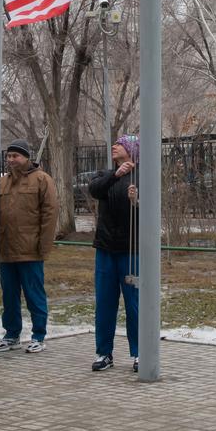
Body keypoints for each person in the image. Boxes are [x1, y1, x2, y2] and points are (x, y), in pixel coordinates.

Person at [0, 140, 58, 354]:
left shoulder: (42, 179)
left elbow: (50, 214)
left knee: (34, 295)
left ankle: (38, 335)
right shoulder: (2, 182)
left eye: (16, 156)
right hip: (6, 249)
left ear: (26, 157)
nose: (11, 160)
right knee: (9, 296)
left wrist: (43, 246)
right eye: (9, 156)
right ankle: (12, 334)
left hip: (30, 250)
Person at [88, 134, 140, 372]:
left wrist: (136, 201)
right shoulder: (106, 175)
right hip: (106, 249)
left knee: (135, 304)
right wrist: (115, 175)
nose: (115, 146)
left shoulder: (142, 177)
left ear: (132, 149)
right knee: (105, 303)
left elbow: (149, 211)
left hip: (132, 251)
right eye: (115, 143)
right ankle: (104, 352)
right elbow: (95, 190)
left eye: (120, 144)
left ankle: (140, 352)